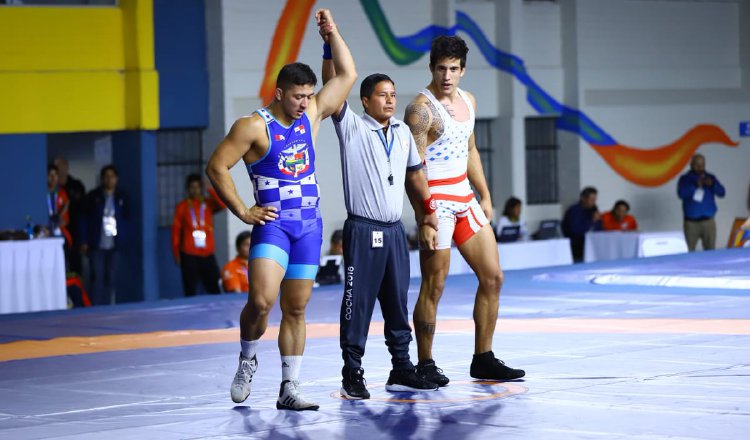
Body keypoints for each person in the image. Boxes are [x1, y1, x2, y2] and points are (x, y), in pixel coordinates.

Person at [205, 9, 356, 411]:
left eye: (309, 96)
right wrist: (241, 210)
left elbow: (345, 76)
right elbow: (217, 166)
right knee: (261, 301)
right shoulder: (252, 126)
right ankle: (248, 359)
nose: (305, 103)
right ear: (279, 92)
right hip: (273, 227)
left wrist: (332, 33)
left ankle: (290, 387)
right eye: (297, 96)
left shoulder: (311, 116)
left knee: (297, 307)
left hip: (309, 226)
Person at [404, 35, 525, 386]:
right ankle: (425, 363)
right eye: (441, 69)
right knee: (434, 284)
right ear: (431, 68)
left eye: (453, 69)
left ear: (463, 70)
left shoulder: (469, 101)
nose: (446, 76)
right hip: (436, 201)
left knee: (493, 277)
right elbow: (414, 171)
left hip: (464, 195)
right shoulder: (420, 110)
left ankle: (483, 359)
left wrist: (485, 195)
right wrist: (424, 216)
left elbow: (471, 151)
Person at [324, 63, 441, 398]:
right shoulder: (352, 128)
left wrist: (428, 215)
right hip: (363, 230)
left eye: (393, 94)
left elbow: (416, 179)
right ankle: (352, 373)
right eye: (382, 95)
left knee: (397, 302)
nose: (390, 100)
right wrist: (329, 46)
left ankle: (402, 367)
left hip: (394, 231)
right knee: (357, 304)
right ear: (364, 100)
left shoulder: (403, 132)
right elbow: (334, 84)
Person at [171, 174, 226, 296]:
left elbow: (223, 204)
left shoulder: (208, 204)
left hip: (207, 253)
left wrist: (209, 188)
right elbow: (175, 232)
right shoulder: (182, 207)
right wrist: (176, 254)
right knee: (190, 289)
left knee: (215, 289)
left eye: (198, 187)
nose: (195, 190)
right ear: (187, 188)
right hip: (189, 254)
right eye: (192, 187)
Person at [80, 165, 127, 306]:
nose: (109, 179)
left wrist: (124, 238)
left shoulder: (121, 197)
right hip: (97, 243)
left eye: (112, 176)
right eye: (106, 176)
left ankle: (109, 306)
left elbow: (128, 219)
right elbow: (83, 219)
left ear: (116, 179)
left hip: (114, 244)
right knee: (96, 277)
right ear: (102, 179)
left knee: (111, 277)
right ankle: (95, 307)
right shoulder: (93, 197)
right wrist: (84, 241)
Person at [677, 154, 725, 251]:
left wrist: (713, 184)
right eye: (697, 165)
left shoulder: (710, 177)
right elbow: (682, 194)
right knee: (689, 252)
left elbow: (722, 192)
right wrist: (695, 186)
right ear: (691, 164)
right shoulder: (685, 179)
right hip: (691, 223)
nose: (700, 168)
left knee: (710, 252)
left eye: (702, 165)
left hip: (709, 222)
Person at [54, 157, 87, 275]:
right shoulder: (52, 188)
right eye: (57, 167)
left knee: (76, 264)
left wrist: (84, 238)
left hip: (75, 230)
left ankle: (76, 290)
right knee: (60, 263)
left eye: (63, 166)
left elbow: (84, 210)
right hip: (58, 230)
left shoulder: (76, 185)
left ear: (67, 167)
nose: (61, 170)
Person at [561, 186, 600, 262]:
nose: (594, 202)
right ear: (583, 198)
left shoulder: (593, 209)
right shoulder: (574, 211)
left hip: (592, 244)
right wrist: (592, 221)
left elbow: (599, 226)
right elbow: (576, 231)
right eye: (591, 199)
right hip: (577, 246)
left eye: (595, 200)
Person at [46, 164, 71, 247]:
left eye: (55, 175)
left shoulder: (62, 193)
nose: (53, 178)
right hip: (46, 231)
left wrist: (61, 220)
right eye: (50, 175)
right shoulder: (41, 193)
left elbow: (65, 220)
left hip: (60, 231)